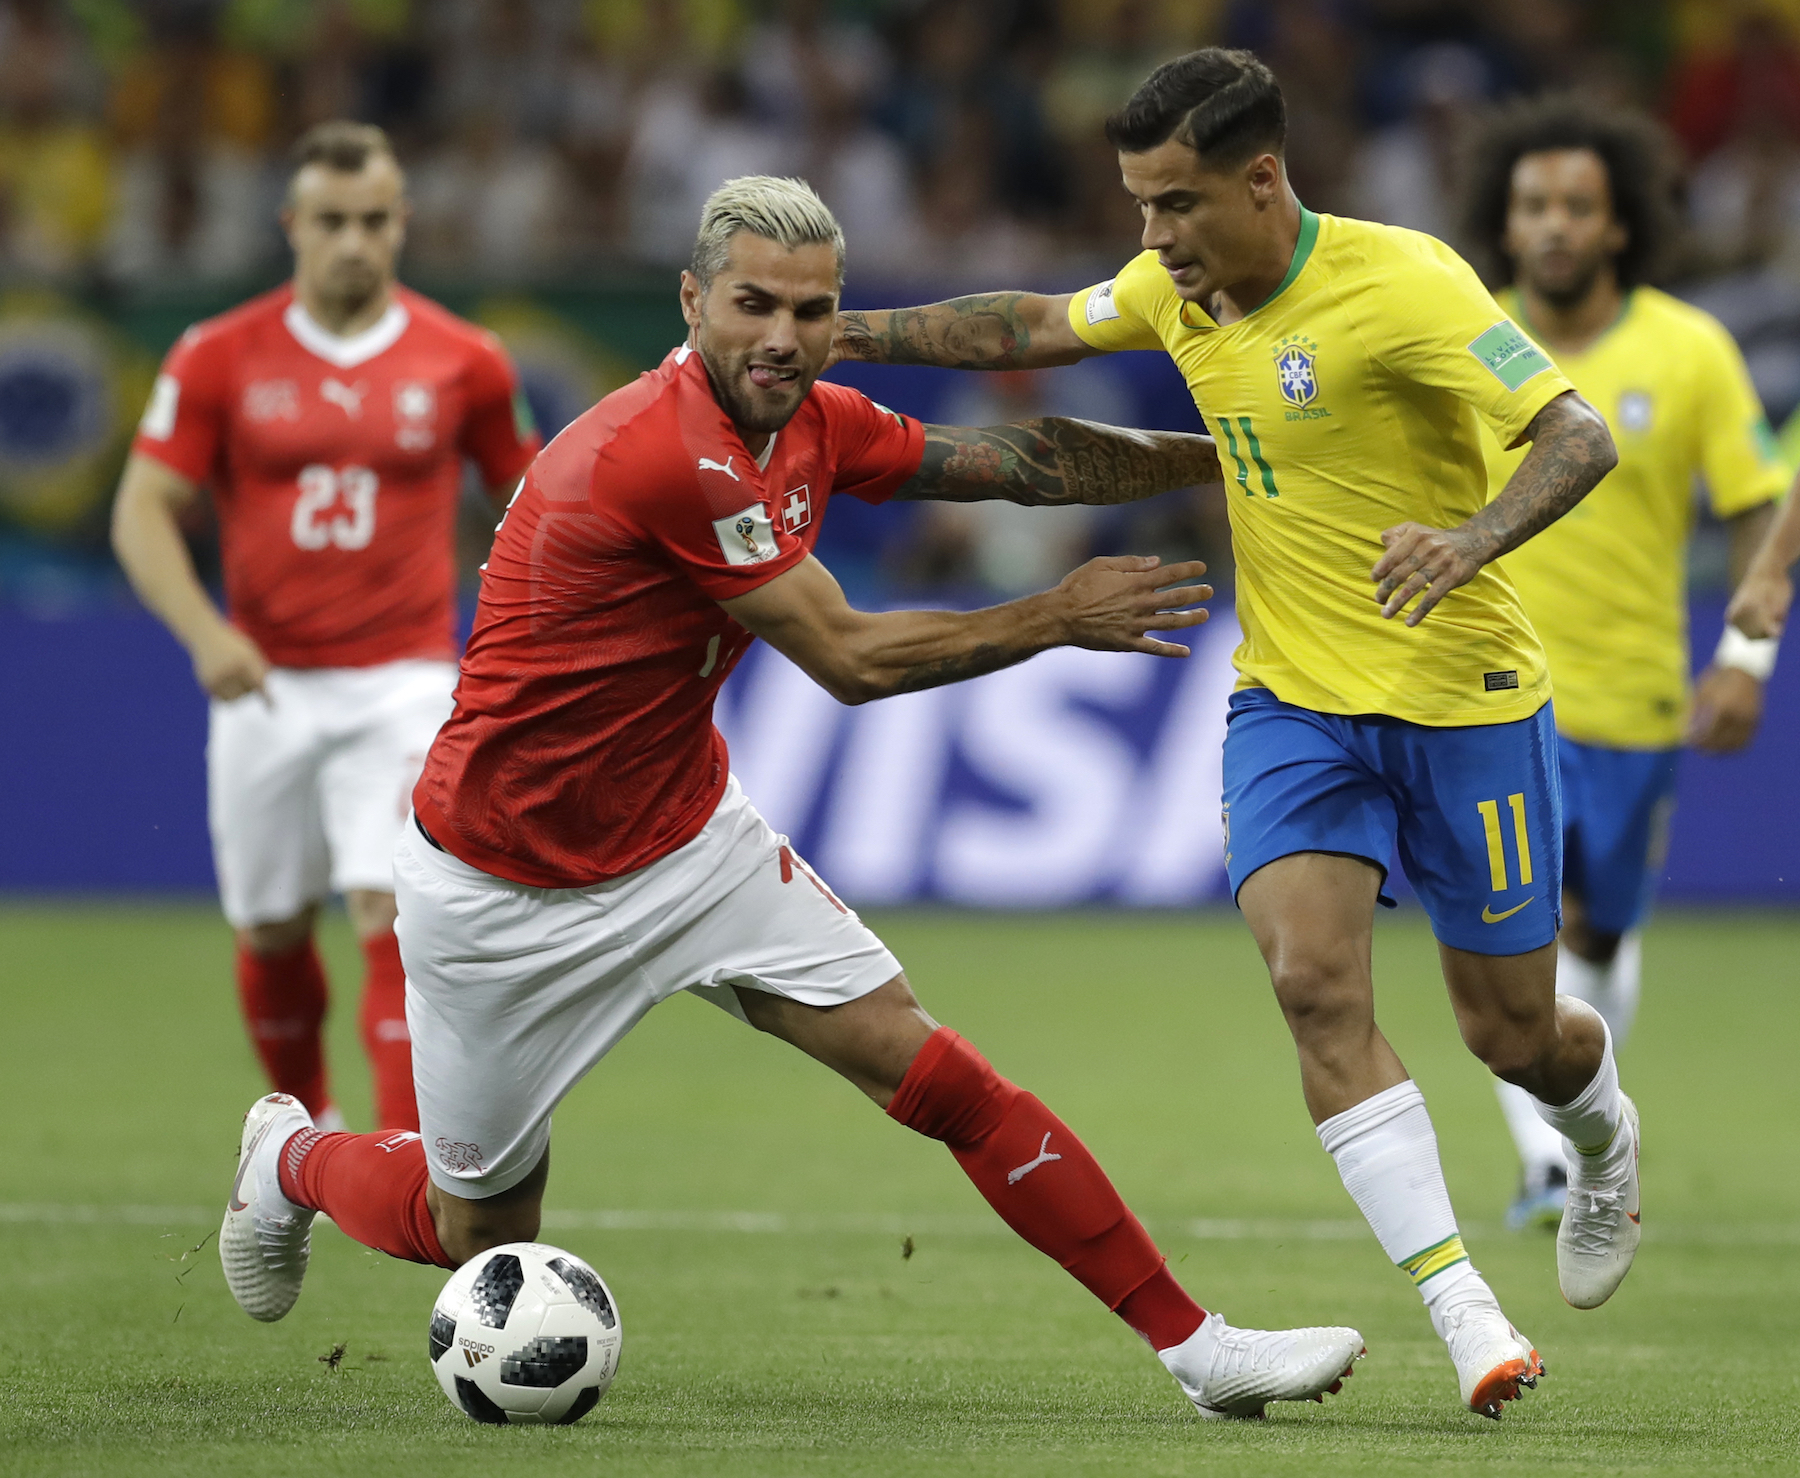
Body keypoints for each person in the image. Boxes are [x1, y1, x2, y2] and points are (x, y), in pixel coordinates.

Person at [219, 175, 1367, 1422]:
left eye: (812, 311)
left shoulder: (811, 417)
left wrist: (1249, 456)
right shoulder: (662, 450)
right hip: (504, 881)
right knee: (465, 1226)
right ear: (692, 299)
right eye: (753, 305)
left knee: (936, 1073)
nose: (783, 336)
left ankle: (1200, 1349)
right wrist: (1052, 614)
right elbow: (852, 661)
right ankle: (290, 1155)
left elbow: (1014, 462)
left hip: (685, 845)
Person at [832, 50, 1633, 1420]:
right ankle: (1464, 1310)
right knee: (1314, 985)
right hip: (1293, 704)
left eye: (1177, 205)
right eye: (1140, 205)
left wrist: (1471, 536)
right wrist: (845, 334)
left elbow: (1577, 436)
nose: (1153, 240)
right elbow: (1026, 327)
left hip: (1466, 701)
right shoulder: (1172, 287)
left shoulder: (1410, 283)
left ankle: (1601, 1134)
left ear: (1263, 180)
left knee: (1513, 1036)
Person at [112, 122, 540, 1135]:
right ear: (292, 226)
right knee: (268, 927)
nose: (355, 241)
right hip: (263, 681)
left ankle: (403, 1160)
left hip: (402, 678)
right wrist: (203, 632)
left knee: (388, 912)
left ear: (403, 225)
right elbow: (142, 507)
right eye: (333, 221)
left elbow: (532, 506)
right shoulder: (218, 355)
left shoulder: (466, 360)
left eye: (375, 220)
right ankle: (302, 1133)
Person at [1461, 98, 1789, 1229]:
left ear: (1618, 225)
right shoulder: (1460, 339)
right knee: (1512, 935)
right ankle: (1552, 1162)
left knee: (1600, 930)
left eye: (1577, 207)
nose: (1554, 225)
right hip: (1489, 695)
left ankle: (1584, 1114)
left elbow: (1758, 505)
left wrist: (1747, 649)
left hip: (1639, 697)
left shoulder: (1689, 349)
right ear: (1503, 225)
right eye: (1534, 205)